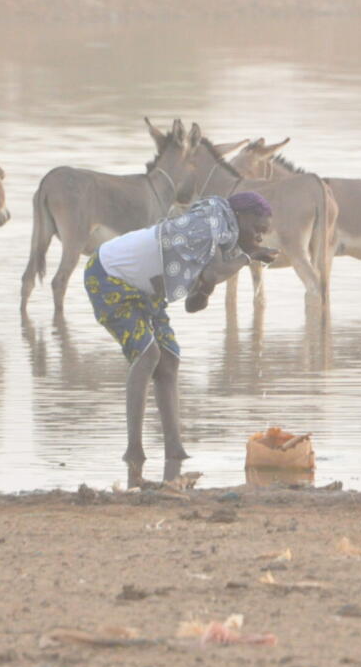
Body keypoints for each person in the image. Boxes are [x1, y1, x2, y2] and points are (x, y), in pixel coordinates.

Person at [84, 191, 277, 487]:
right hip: (108, 275)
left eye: (263, 234)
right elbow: (213, 271)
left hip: (147, 290)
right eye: (258, 230)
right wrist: (248, 258)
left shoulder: (221, 243)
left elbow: (192, 304)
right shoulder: (206, 227)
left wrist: (206, 288)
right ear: (241, 218)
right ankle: (133, 450)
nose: (260, 237)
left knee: (169, 360)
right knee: (148, 355)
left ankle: (175, 449)